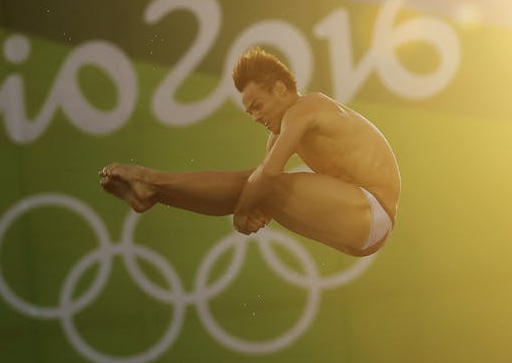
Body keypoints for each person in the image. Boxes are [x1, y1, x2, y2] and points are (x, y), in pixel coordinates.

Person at [99, 47, 400, 257]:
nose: (255, 117)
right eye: (249, 112)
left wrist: (244, 212)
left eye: (257, 106)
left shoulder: (308, 107)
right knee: (255, 183)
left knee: (261, 181)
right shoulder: (279, 134)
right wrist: (251, 209)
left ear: (280, 89)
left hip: (373, 212)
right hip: (356, 229)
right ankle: (154, 193)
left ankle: (152, 182)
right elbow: (260, 184)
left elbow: (268, 176)